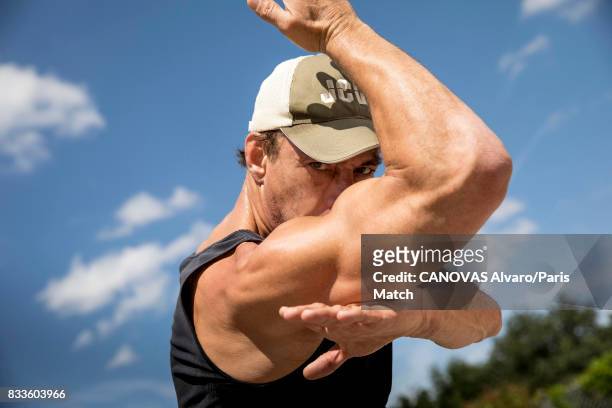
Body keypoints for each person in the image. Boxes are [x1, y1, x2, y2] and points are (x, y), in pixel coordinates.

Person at [170, 0, 512, 406]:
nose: (345, 191)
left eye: (363, 169)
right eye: (321, 164)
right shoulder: (244, 279)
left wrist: (421, 318)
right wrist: (338, 30)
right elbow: (476, 168)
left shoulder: (348, 255)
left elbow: (488, 316)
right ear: (260, 157)